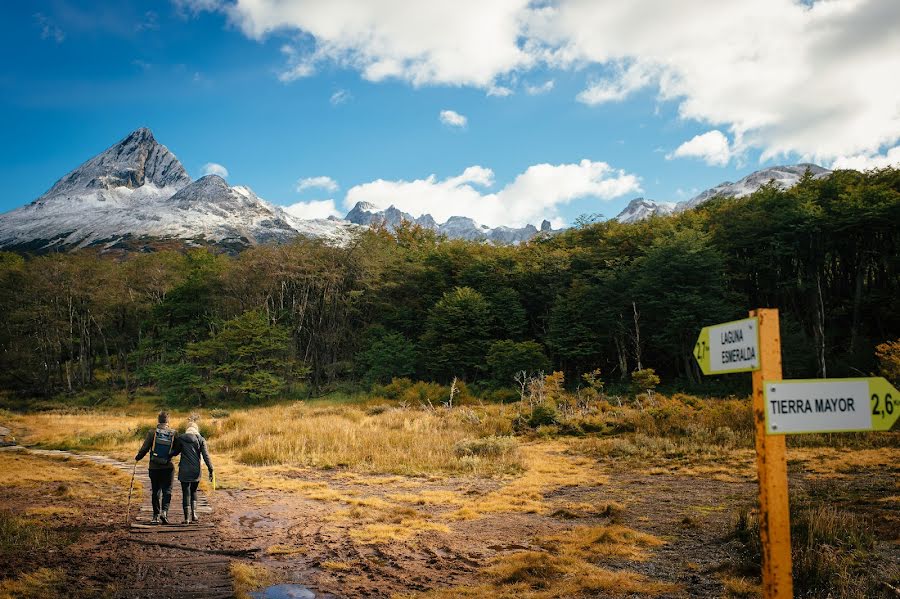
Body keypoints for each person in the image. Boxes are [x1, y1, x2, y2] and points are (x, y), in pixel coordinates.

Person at [135, 411, 177, 525]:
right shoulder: (173, 433)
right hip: (168, 467)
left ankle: (155, 516)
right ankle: (164, 512)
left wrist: (138, 457)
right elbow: (177, 450)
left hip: (154, 467)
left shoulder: (152, 433)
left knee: (155, 491)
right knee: (167, 491)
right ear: (168, 421)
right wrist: (170, 455)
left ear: (158, 420)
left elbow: (144, 448)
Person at [172, 418, 213, 525]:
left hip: (184, 469)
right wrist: (210, 468)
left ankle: (186, 518)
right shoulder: (201, 439)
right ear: (196, 429)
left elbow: (175, 452)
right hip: (196, 470)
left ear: (187, 429)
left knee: (186, 492)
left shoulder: (181, 438)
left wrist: (165, 456)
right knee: (194, 491)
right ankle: (194, 514)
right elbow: (206, 456)